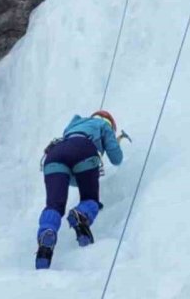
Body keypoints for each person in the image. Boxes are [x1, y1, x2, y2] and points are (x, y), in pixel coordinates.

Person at [36, 110, 124, 269]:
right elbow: (116, 158)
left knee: (54, 205)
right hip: (84, 150)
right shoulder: (103, 125)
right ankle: (82, 214)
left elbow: (72, 172)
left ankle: (46, 236)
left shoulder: (71, 128)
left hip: (54, 154)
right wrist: (113, 142)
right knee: (90, 200)